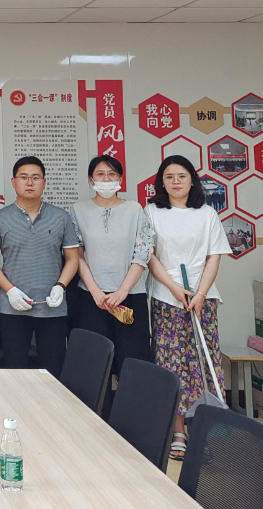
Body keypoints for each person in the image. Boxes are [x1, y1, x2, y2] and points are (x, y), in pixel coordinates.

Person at [145, 155, 230, 461]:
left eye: (181, 176)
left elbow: (214, 256)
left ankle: (202, 430)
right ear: (161, 182)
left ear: (192, 179)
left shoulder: (207, 213)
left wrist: (201, 293)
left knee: (202, 363)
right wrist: (173, 287)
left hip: (201, 299)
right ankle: (178, 430)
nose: (176, 181)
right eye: (169, 177)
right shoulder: (151, 212)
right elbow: (149, 256)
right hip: (167, 297)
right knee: (171, 363)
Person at [0, 156, 79, 377]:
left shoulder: (61, 217)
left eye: (36, 177)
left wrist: (61, 286)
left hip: (52, 307)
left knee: (53, 370)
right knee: (15, 369)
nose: (29, 182)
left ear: (44, 182)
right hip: (13, 307)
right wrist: (10, 290)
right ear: (13, 182)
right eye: (23, 177)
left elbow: (73, 258)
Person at [69, 155, 152, 377]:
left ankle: (130, 402)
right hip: (91, 298)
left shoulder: (135, 209)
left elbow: (142, 254)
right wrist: (96, 292)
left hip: (130, 296)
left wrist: (122, 291)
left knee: (132, 364)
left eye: (112, 174)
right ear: (91, 179)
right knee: (93, 365)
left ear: (120, 179)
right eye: (100, 174)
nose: (106, 179)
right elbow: (76, 255)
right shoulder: (77, 210)